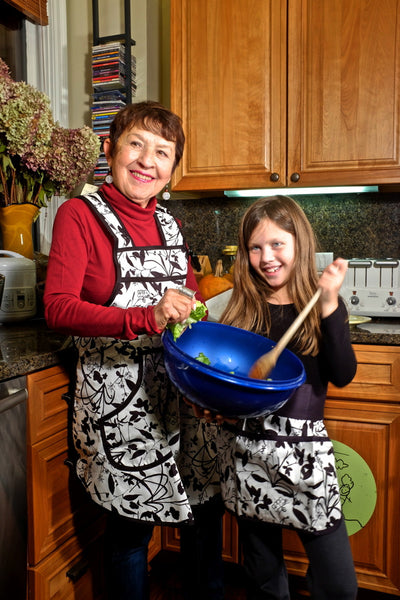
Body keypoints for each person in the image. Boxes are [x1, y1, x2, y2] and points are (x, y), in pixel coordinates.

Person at [44, 101, 223, 600]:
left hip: (179, 391)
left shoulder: (170, 223)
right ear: (111, 149)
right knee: (131, 532)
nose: (148, 161)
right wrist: (144, 317)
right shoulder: (79, 215)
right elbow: (57, 307)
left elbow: (186, 299)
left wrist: (202, 310)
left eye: (162, 152)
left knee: (201, 512)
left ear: (172, 168)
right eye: (136, 144)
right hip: (118, 401)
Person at [216, 195, 358, 599]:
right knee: (264, 576)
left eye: (277, 244)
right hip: (249, 453)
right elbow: (230, 385)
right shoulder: (242, 309)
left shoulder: (322, 306)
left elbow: (344, 374)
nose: (267, 257)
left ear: (300, 244)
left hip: (306, 457)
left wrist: (329, 304)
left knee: (339, 585)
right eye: (255, 247)